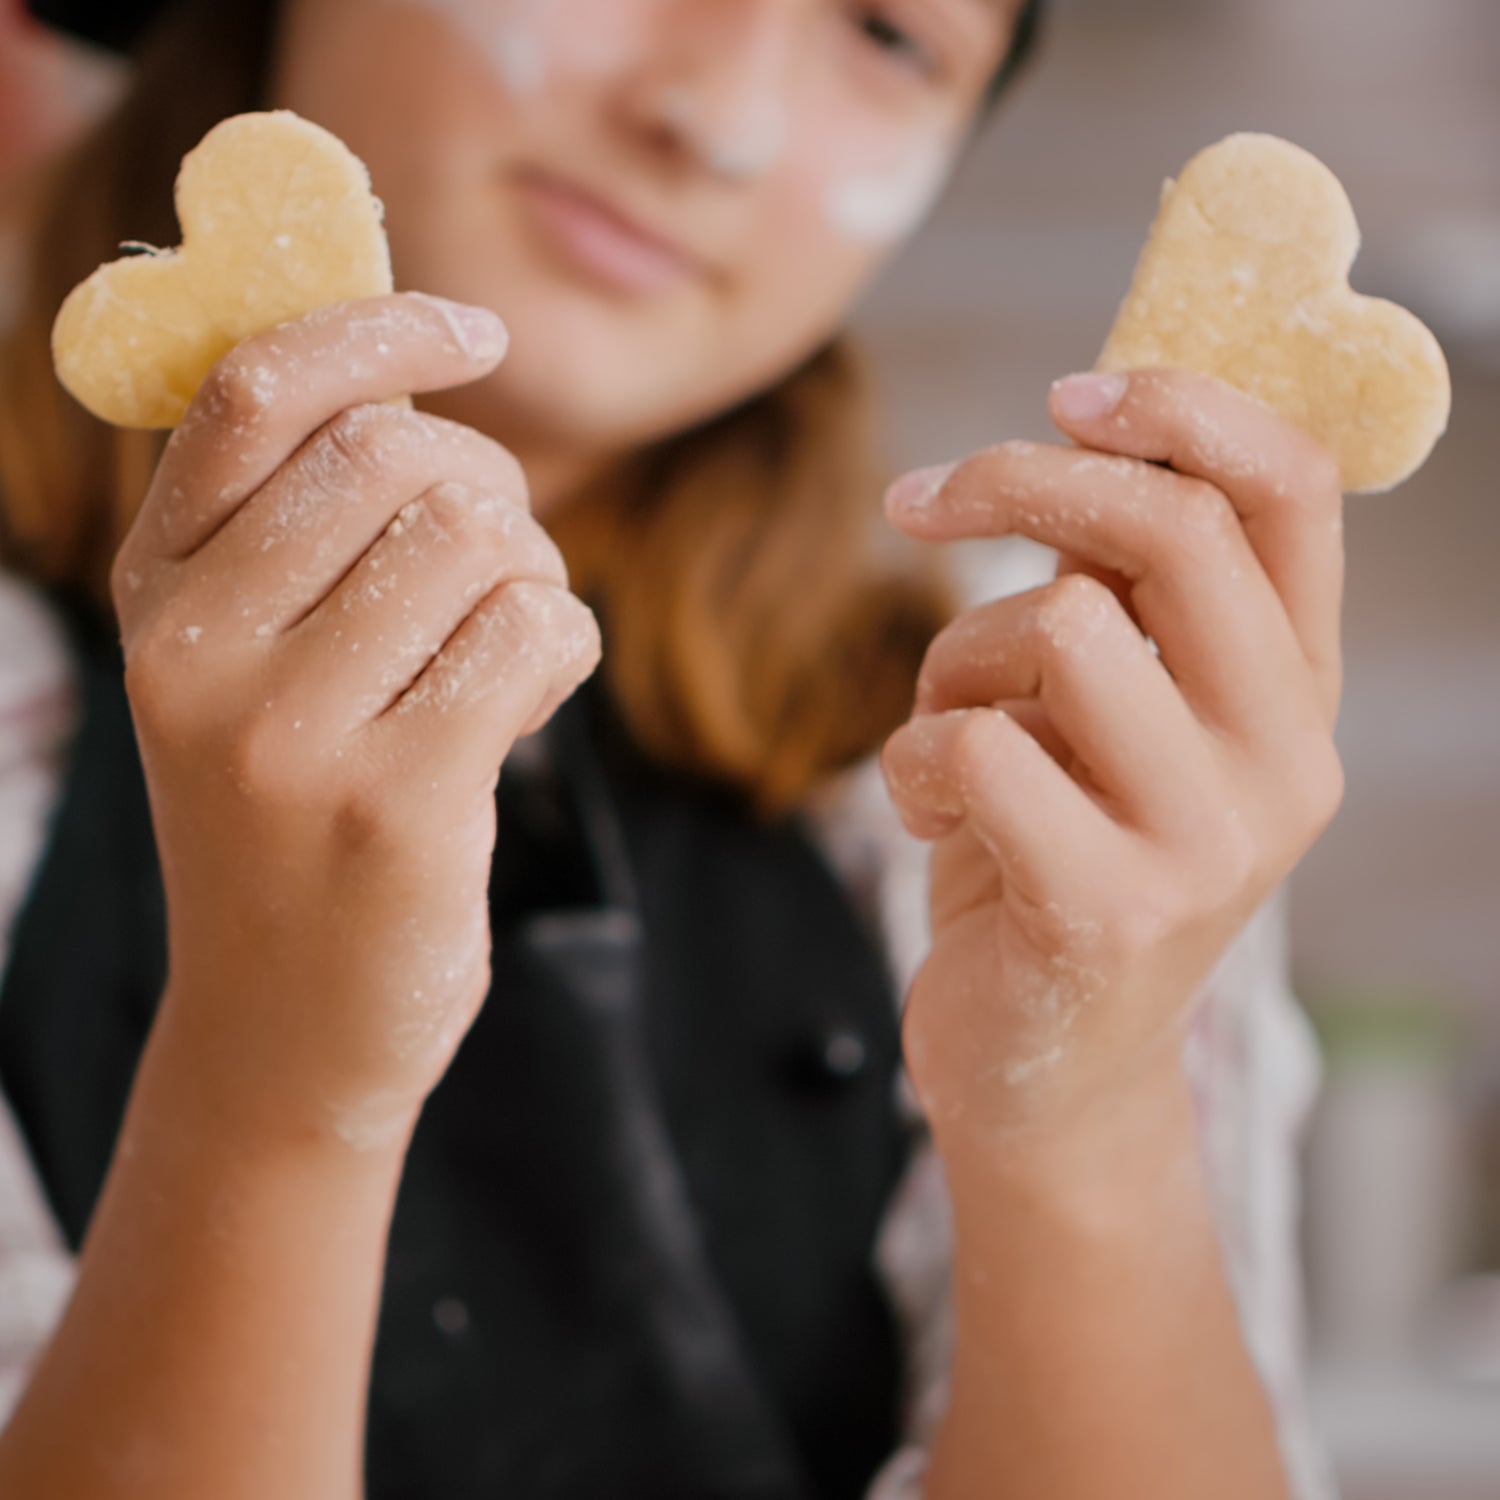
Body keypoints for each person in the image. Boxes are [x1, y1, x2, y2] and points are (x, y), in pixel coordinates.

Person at [0, 0, 1345, 1495]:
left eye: (893, 36)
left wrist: (1080, 1110)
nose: (720, 116)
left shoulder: (1043, 744)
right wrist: (273, 1082)